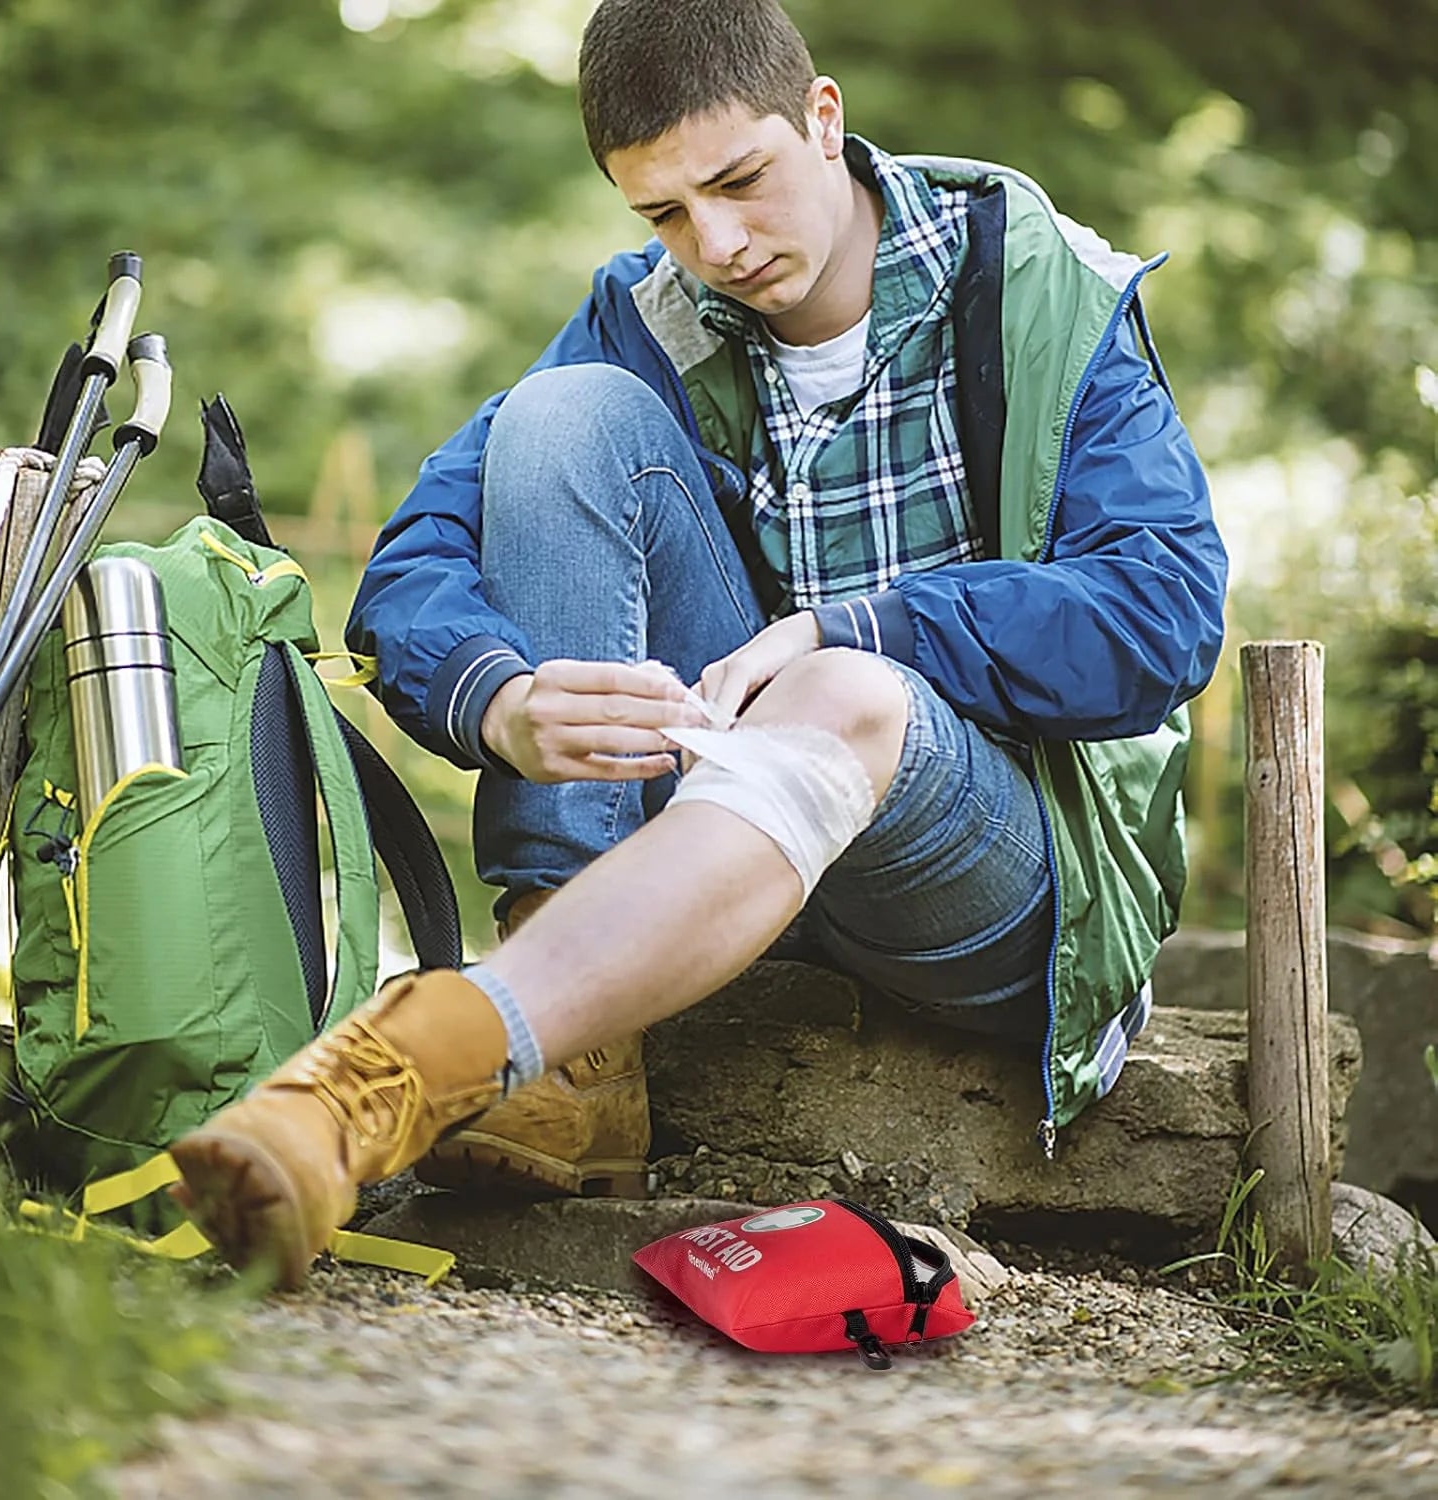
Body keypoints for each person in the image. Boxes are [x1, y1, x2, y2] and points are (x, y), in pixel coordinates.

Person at [170, 0, 1227, 1289]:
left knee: (840, 689)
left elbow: (1161, 613)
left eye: (739, 182)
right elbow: (417, 559)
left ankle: (402, 1070)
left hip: (1000, 882)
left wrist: (864, 630)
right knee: (561, 418)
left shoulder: (1041, 282)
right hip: (722, 852)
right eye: (664, 213)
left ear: (823, 119)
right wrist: (496, 700)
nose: (713, 243)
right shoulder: (651, 314)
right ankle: (576, 1073)